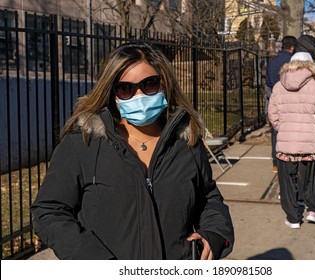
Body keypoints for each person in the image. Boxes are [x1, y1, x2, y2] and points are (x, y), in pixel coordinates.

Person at [30, 43, 234, 260]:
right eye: (126, 88)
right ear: (112, 94)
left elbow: (209, 197)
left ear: (165, 84)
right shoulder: (82, 144)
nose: (139, 95)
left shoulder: (186, 142)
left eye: (150, 84)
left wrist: (215, 233)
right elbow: (49, 211)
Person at [268, 52, 315, 229]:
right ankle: (314, 211)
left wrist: (284, 129)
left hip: (286, 142)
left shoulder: (278, 86)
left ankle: (293, 217)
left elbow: (272, 115)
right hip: (310, 142)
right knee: (312, 178)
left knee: (286, 181)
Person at [265, 35, 298, 173]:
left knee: (276, 132)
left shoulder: (272, 62)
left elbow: (267, 83)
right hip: (291, 102)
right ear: (293, 47)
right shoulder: (293, 62)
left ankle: (276, 161)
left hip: (275, 100)